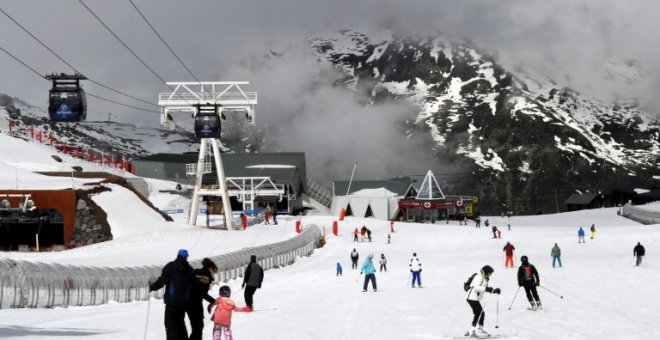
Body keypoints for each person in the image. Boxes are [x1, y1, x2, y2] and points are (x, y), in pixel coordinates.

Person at [149, 249, 195, 340]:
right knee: (180, 324)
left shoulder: (170, 266)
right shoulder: (190, 270)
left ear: (177, 255)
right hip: (183, 303)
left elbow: (162, 280)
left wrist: (152, 287)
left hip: (171, 302)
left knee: (170, 325)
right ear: (186, 257)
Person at [466, 265, 501, 337]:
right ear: (486, 272)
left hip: (475, 298)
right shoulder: (479, 277)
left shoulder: (484, 278)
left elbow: (485, 288)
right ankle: (473, 330)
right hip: (472, 297)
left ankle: (478, 329)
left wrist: (495, 290)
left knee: (480, 313)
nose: (490, 275)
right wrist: (487, 289)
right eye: (490, 273)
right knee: (479, 313)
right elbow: (476, 287)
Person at [187, 258, 218, 340]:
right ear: (210, 268)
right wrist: (214, 301)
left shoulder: (196, 272)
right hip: (195, 303)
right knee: (198, 327)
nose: (213, 272)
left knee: (196, 327)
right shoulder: (205, 276)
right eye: (213, 270)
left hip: (188, 301)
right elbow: (202, 293)